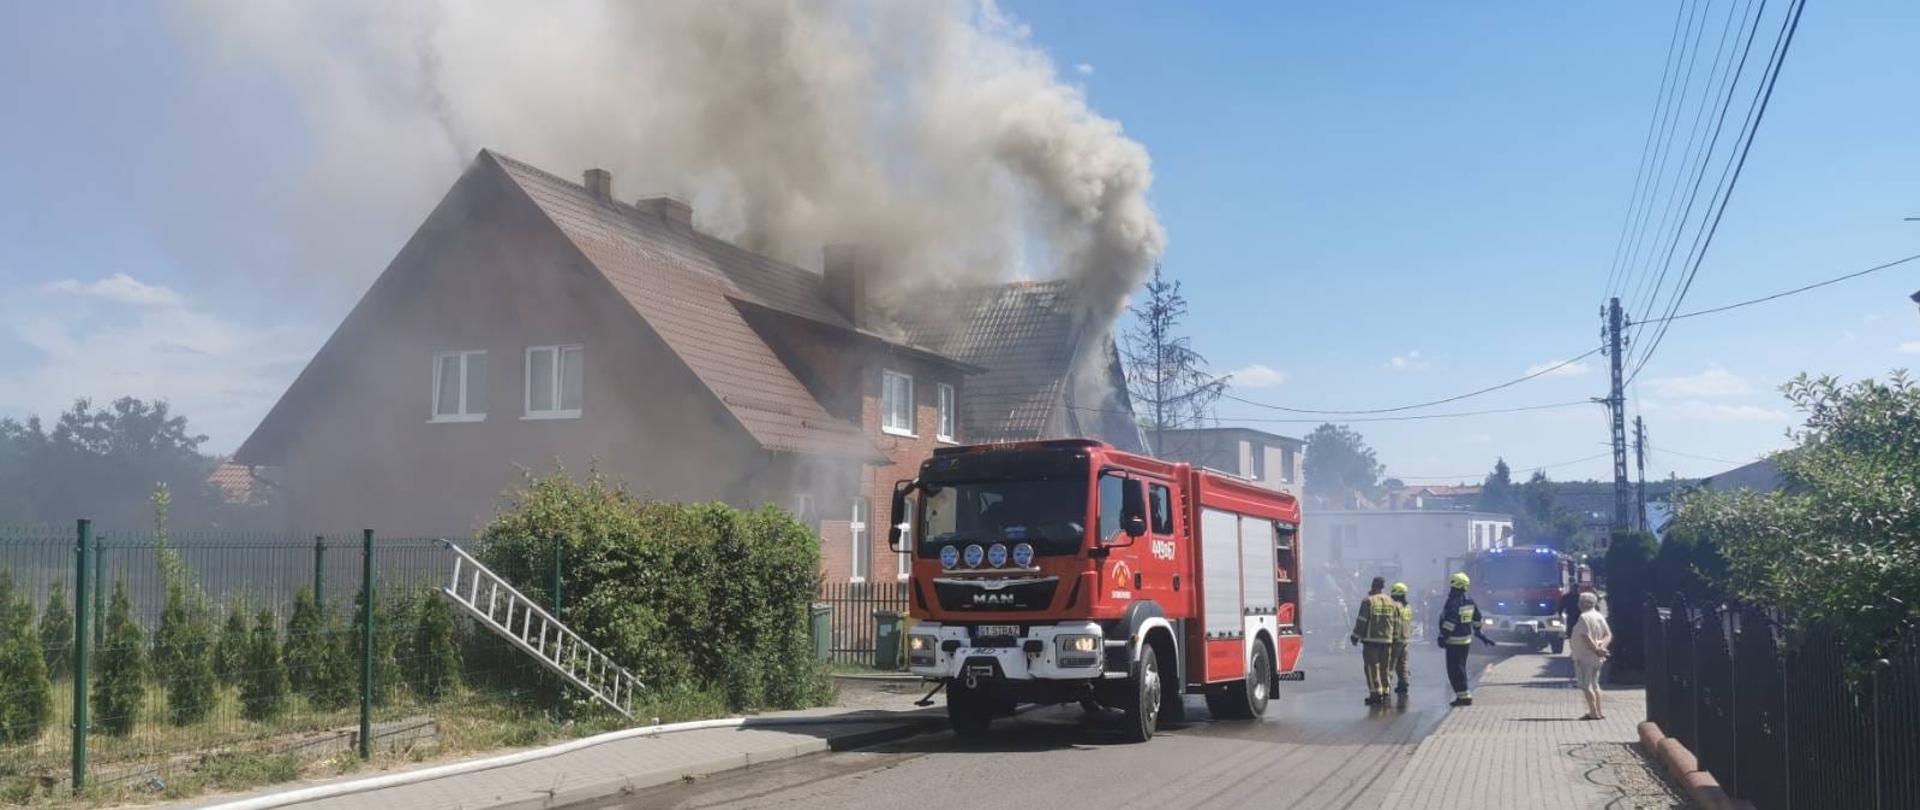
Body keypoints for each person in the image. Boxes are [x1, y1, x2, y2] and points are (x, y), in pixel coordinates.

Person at [1437, 571, 1496, 706]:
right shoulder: (1469, 600)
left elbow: (1450, 621)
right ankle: (1463, 695)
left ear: (1456, 586)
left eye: (1452, 585)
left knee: (1455, 670)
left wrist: (1442, 636)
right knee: (1461, 668)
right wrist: (1480, 634)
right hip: (1466, 641)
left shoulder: (1453, 601)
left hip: (1454, 641)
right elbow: (1477, 617)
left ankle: (1463, 697)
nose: (1450, 588)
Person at [1350, 576, 1398, 705]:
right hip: (1387, 641)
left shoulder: (1368, 601)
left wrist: (1355, 635)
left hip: (1371, 641)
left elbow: (1362, 621)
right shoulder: (1390, 601)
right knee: (1385, 668)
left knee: (1372, 669)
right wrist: (1394, 637)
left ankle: (1375, 694)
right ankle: (1386, 692)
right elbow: (1395, 622)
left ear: (1372, 585)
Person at [1570, 591, 1612, 720]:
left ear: (1583, 603)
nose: (1578, 604)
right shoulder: (1599, 616)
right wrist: (1602, 647)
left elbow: (1585, 636)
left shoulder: (1584, 617)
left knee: (1585, 685)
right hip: (1596, 657)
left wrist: (1596, 649)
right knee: (1595, 684)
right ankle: (1599, 711)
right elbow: (1608, 634)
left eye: (1579, 602)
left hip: (1585, 656)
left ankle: (1593, 712)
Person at [1389, 582, 1413, 695]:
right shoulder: (1408, 607)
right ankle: (1403, 684)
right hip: (1405, 639)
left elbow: (1392, 623)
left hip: (1396, 639)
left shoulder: (1395, 606)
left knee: (1390, 664)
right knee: (1403, 663)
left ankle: (1385, 687)